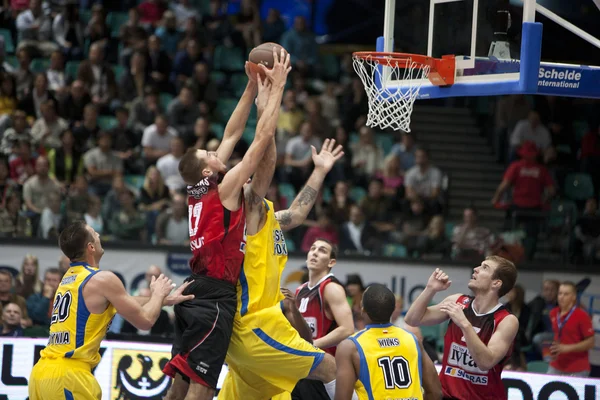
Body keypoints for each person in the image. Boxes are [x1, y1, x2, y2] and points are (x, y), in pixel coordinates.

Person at [163, 49, 291, 400]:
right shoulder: (226, 188)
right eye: (210, 155)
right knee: (202, 389)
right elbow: (259, 142)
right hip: (214, 297)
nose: (217, 153)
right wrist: (276, 88)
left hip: (194, 288)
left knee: (180, 382)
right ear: (207, 169)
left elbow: (233, 132)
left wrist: (251, 88)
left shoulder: (199, 190)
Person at [218, 101, 346, 399]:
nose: (250, 182)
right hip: (256, 325)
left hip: (249, 332)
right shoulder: (246, 215)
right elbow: (264, 165)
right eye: (245, 181)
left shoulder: (269, 218)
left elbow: (298, 214)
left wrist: (320, 171)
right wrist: (267, 114)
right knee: (330, 367)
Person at [28, 221, 194, 399]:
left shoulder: (69, 278)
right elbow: (146, 321)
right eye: (94, 233)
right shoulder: (102, 279)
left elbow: (124, 301)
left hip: (41, 373)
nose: (99, 236)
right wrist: (158, 293)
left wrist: (164, 300)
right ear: (91, 247)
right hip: (69, 375)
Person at [404, 257, 519, 400]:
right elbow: (412, 319)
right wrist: (430, 289)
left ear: (496, 283)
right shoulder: (457, 301)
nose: (476, 269)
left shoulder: (507, 320)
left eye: (485, 267)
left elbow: (486, 362)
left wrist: (464, 324)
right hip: (447, 395)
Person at [335, 284, 442, 400]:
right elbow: (435, 392)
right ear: (392, 310)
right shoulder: (412, 339)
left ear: (363, 309)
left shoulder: (350, 346)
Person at [291, 239, 355, 399]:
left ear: (331, 262)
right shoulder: (300, 290)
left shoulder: (331, 288)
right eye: (312, 248)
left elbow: (347, 329)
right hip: (304, 367)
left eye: (322, 250)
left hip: (325, 372)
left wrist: (312, 346)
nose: (315, 253)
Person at [548, 281, 594, 377]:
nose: (561, 297)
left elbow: (591, 342)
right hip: (556, 365)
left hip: (577, 368)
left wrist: (568, 348)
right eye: (560, 293)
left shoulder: (582, 315)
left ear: (573, 297)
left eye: (566, 294)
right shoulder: (553, 313)